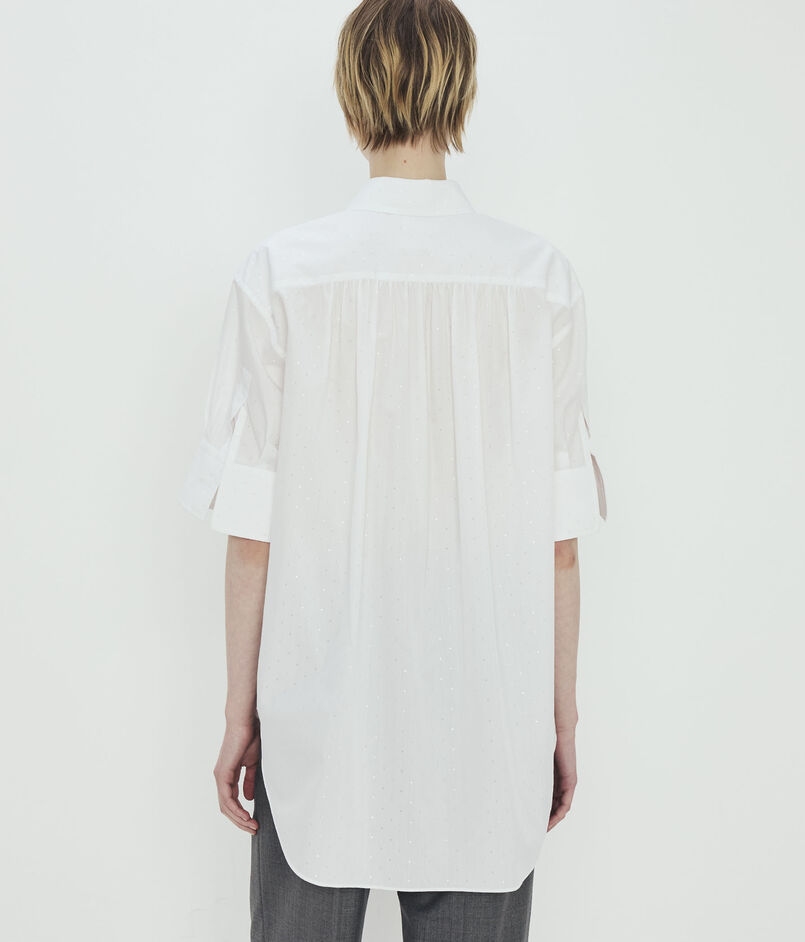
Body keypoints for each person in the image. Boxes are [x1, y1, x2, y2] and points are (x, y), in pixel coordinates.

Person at [179, 0, 607, 938]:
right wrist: (561, 719)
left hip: (316, 720)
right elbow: (559, 542)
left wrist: (239, 712)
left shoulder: (282, 275)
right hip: (489, 730)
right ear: (462, 90)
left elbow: (253, 529)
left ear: (351, 93)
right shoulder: (540, 282)